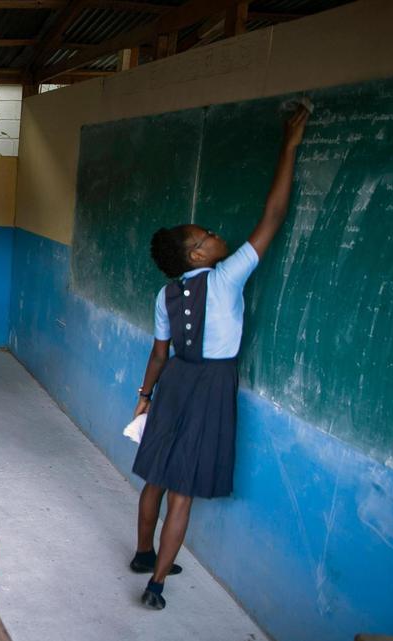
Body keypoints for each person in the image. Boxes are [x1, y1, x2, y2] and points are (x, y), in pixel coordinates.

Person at [130, 107, 309, 610]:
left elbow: (159, 353)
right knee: (182, 493)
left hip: (175, 383)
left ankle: (144, 554)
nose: (214, 235)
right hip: (211, 386)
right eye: (205, 236)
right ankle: (157, 584)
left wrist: (145, 397)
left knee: (156, 479)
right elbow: (272, 218)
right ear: (197, 256)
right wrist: (289, 147)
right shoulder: (227, 277)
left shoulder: (165, 296)